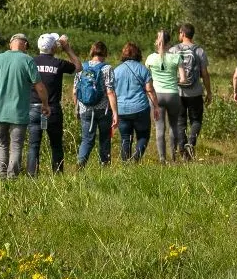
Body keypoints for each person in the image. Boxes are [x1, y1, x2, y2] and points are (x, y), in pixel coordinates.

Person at [0, 33, 48, 179]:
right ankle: (12, 177)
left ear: (11, 44)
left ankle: (2, 175)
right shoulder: (28, 60)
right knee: (16, 145)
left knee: (2, 144)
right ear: (24, 45)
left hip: (0, 112)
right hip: (19, 113)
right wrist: (45, 104)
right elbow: (40, 87)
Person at [27, 34, 78, 176]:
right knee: (56, 145)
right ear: (53, 47)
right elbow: (78, 67)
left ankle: (32, 176)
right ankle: (58, 175)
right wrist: (67, 48)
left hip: (33, 107)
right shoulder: (58, 63)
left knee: (33, 146)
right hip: (53, 109)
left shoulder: (31, 62)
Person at [111, 41, 156, 161]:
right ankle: (136, 159)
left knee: (125, 138)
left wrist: (113, 111)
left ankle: (126, 165)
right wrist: (156, 106)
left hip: (122, 110)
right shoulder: (143, 70)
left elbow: (111, 92)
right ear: (138, 54)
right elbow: (150, 90)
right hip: (140, 108)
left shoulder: (116, 71)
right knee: (143, 136)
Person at [73, 40, 116, 168]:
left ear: (92, 52)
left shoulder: (81, 67)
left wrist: (77, 108)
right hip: (103, 110)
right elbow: (110, 92)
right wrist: (115, 113)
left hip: (85, 109)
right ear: (105, 53)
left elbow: (75, 90)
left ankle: (80, 165)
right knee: (104, 139)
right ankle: (104, 166)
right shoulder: (107, 68)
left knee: (87, 139)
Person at [170, 24, 209, 159]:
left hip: (178, 92)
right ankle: (191, 143)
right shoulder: (199, 51)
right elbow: (204, 74)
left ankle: (182, 149)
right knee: (196, 120)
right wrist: (208, 92)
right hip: (195, 92)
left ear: (182, 33)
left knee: (180, 121)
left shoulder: (173, 50)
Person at [146, 30, 184, 161]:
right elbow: (183, 79)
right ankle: (174, 157)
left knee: (159, 127)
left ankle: (162, 158)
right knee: (173, 126)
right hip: (172, 94)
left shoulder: (150, 58)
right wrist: (174, 81)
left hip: (157, 95)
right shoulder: (176, 57)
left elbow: (147, 78)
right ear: (169, 42)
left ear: (157, 42)